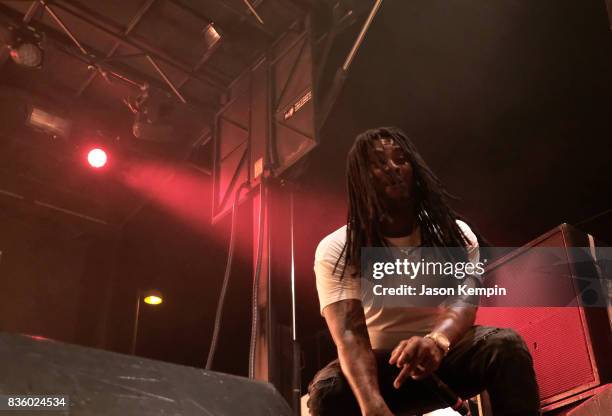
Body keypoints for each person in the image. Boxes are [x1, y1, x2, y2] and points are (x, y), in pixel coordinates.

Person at [307, 127, 540, 416]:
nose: (392, 168)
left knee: (505, 346)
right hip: (381, 373)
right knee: (326, 390)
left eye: (400, 159)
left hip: (443, 358)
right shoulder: (338, 247)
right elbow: (350, 335)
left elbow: (463, 306)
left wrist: (436, 342)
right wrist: (372, 404)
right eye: (379, 163)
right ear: (361, 179)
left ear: (414, 169)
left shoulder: (455, 234)